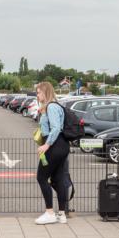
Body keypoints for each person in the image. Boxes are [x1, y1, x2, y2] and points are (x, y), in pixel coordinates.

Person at [34, 81, 71, 225]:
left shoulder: (51, 107)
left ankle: (50, 212)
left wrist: (46, 145)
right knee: (58, 178)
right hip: (60, 146)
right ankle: (61, 214)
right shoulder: (52, 106)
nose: (37, 95)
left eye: (38, 92)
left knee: (41, 177)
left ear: (45, 92)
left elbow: (55, 128)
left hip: (55, 145)